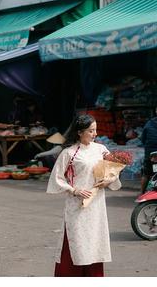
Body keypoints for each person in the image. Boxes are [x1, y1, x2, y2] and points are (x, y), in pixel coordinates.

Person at [47, 114, 121, 277]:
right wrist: (74, 190)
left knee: (95, 241)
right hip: (77, 205)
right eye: (91, 131)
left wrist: (108, 180)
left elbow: (113, 171)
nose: (95, 134)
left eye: (95, 130)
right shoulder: (69, 152)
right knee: (77, 240)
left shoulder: (101, 149)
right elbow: (57, 178)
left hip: (97, 204)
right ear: (79, 132)